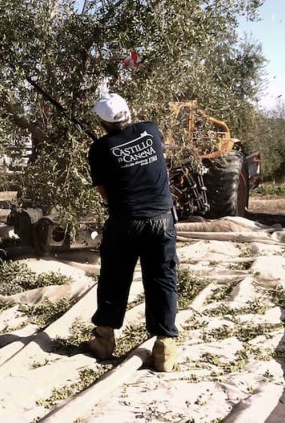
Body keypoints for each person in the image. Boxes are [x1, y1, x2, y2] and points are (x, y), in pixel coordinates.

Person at [86, 92, 179, 372]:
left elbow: (105, 194)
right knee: (162, 278)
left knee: (114, 278)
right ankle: (164, 347)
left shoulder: (99, 150)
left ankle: (104, 341)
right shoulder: (151, 131)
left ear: (102, 123)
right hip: (162, 220)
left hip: (126, 222)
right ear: (128, 113)